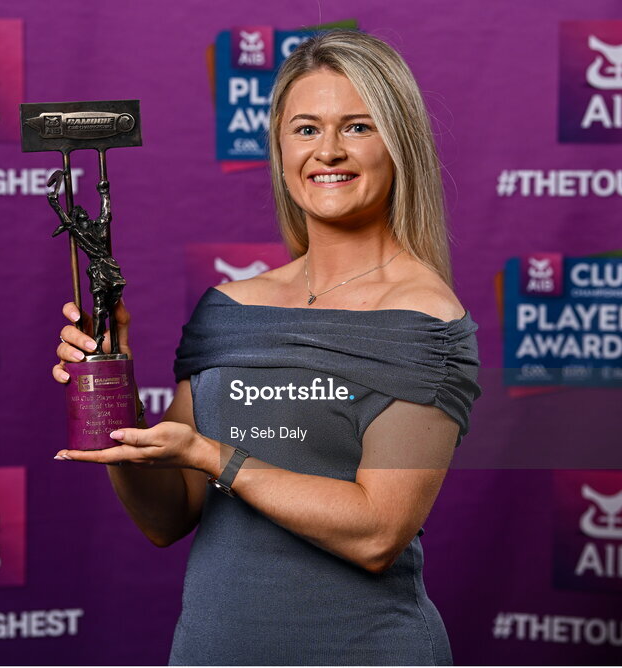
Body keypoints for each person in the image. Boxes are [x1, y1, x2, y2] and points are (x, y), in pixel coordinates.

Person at [52, 30, 481, 666]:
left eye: (358, 127)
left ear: (400, 145)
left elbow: (377, 533)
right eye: (306, 129)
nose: (328, 150)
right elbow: (167, 519)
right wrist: (113, 392)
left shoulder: (426, 320)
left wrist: (214, 455)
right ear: (280, 148)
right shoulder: (229, 309)